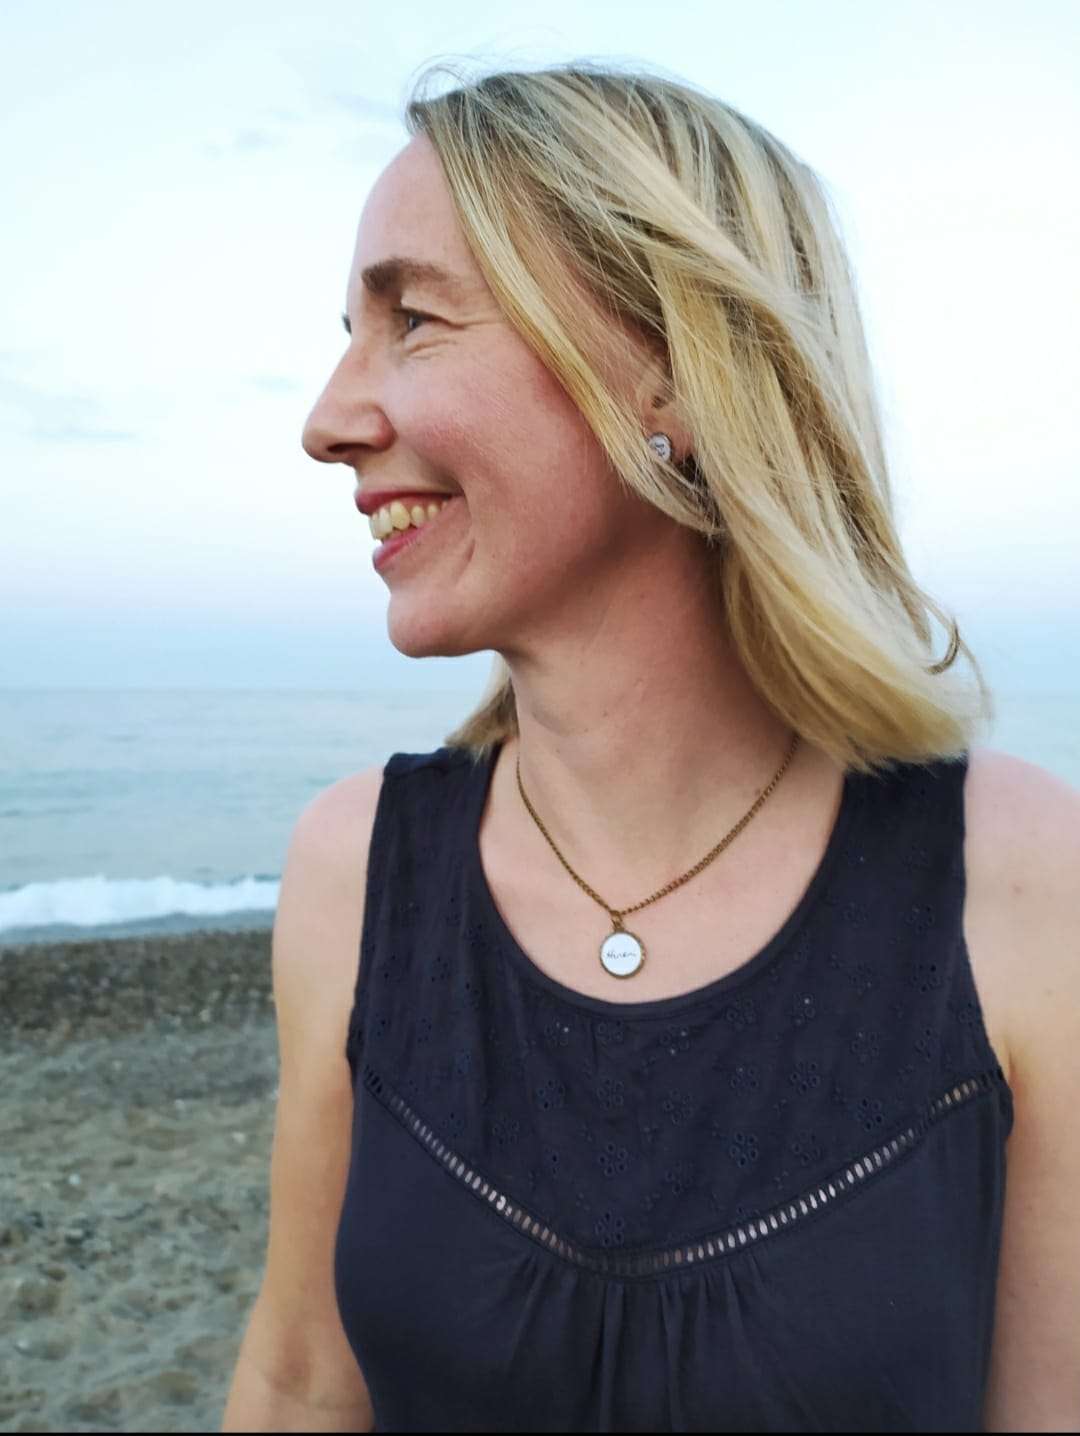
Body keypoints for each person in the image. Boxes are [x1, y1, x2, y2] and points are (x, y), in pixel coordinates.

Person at [221, 60, 1080, 1433]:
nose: (328, 418)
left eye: (416, 321)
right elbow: (299, 1381)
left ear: (673, 369)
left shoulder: (1021, 882)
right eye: (346, 333)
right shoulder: (356, 871)